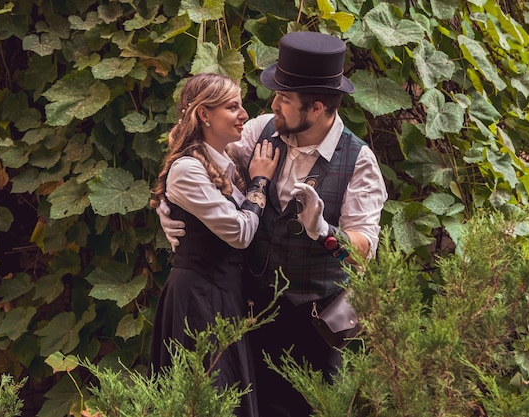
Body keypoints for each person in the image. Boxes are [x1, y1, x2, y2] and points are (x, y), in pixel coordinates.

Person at [158, 32, 388, 417]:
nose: (272, 105)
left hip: (315, 328)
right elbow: (197, 159)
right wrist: (167, 204)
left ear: (315, 107)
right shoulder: (260, 130)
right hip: (251, 315)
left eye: (284, 99)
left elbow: (363, 249)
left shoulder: (359, 161)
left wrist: (324, 230)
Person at [148, 72, 279, 417]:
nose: (243, 114)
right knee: (207, 398)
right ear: (204, 114)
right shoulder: (188, 169)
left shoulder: (224, 163)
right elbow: (239, 232)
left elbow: (272, 120)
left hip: (224, 295)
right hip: (198, 299)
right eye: (232, 107)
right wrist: (260, 182)